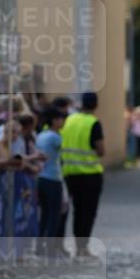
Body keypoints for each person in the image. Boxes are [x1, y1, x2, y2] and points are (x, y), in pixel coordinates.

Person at [60, 91, 104, 259]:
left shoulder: (69, 120)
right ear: (95, 105)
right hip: (90, 175)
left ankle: (61, 246)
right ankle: (81, 248)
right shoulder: (93, 122)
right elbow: (101, 150)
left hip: (69, 173)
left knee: (67, 211)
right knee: (86, 213)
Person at [35, 107, 67, 259]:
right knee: (54, 215)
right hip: (53, 178)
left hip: (41, 178)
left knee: (45, 215)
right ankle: (50, 248)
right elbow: (65, 152)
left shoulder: (41, 135)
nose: (63, 122)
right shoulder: (55, 137)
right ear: (54, 120)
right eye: (60, 119)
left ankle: (39, 246)